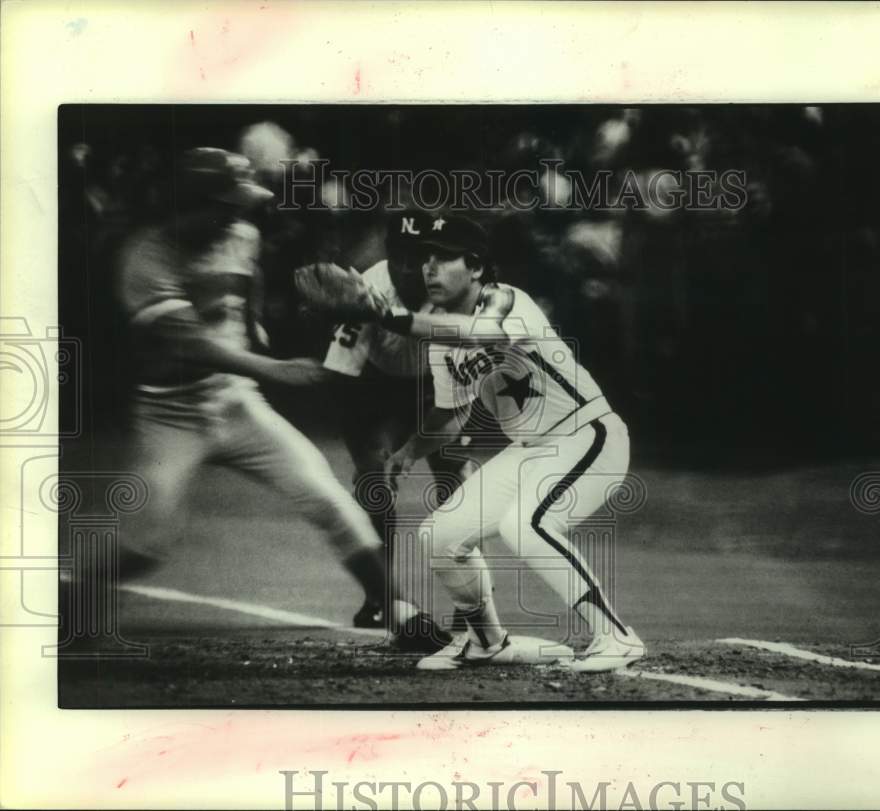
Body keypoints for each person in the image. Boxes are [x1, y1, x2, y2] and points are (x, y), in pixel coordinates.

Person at [113, 147, 444, 651]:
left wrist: (252, 322)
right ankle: (70, 600)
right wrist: (273, 368)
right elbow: (186, 344)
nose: (238, 215)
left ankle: (400, 614)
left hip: (236, 404)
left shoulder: (240, 235)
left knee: (330, 500)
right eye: (227, 205)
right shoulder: (145, 258)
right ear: (188, 203)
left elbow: (249, 276)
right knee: (145, 542)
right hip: (170, 414)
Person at [378, 214, 645, 672]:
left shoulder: (505, 299)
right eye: (425, 258)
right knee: (439, 535)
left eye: (444, 258)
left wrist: (390, 317)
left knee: (525, 525)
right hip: (528, 451)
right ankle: (487, 642)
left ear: (476, 266)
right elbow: (451, 416)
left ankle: (616, 636)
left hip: (587, 436)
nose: (429, 267)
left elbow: (481, 334)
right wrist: (407, 453)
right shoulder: (438, 335)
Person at [316, 209, 472, 630]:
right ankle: (379, 596)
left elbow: (460, 391)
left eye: (417, 257)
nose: (406, 267)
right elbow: (339, 378)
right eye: (398, 255)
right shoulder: (367, 290)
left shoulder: (459, 292)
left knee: (458, 485)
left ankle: (472, 602)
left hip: (438, 387)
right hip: (377, 389)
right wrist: (368, 459)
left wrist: (415, 447)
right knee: (375, 486)